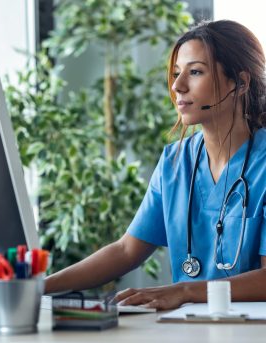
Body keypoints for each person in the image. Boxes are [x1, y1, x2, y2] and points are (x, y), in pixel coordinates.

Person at [45, 19, 266, 310]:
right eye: (176, 73)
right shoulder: (175, 162)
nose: (177, 86)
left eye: (195, 72)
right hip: (186, 327)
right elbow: (126, 250)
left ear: (240, 83)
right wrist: (38, 287)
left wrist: (186, 290)